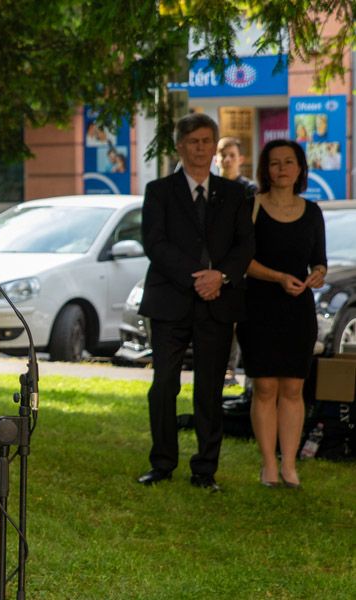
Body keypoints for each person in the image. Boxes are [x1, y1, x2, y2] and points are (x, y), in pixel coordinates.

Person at [137, 113, 254, 492]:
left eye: (206, 141)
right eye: (193, 141)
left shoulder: (235, 194)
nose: (200, 148)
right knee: (164, 385)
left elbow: (245, 246)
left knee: (210, 388)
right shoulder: (159, 191)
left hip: (218, 302)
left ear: (214, 146)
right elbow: (154, 243)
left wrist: (220, 276)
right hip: (170, 301)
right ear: (180, 147)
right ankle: (162, 463)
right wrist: (197, 277)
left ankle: (205, 468)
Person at [236, 140, 327, 489]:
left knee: (293, 387)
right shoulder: (251, 206)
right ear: (266, 169)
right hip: (259, 306)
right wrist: (277, 277)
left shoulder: (312, 211)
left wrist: (317, 274)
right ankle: (268, 465)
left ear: (300, 168)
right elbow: (241, 260)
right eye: (275, 163)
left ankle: (289, 465)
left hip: (298, 308)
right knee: (264, 387)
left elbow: (319, 260)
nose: (282, 168)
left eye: (289, 162)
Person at [214, 136, 257, 386]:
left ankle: (240, 371)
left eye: (232, 155)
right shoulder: (211, 188)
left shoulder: (250, 190)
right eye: (223, 155)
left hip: (243, 268)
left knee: (241, 322)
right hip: (217, 267)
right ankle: (224, 370)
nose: (228, 160)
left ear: (241, 159)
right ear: (216, 158)